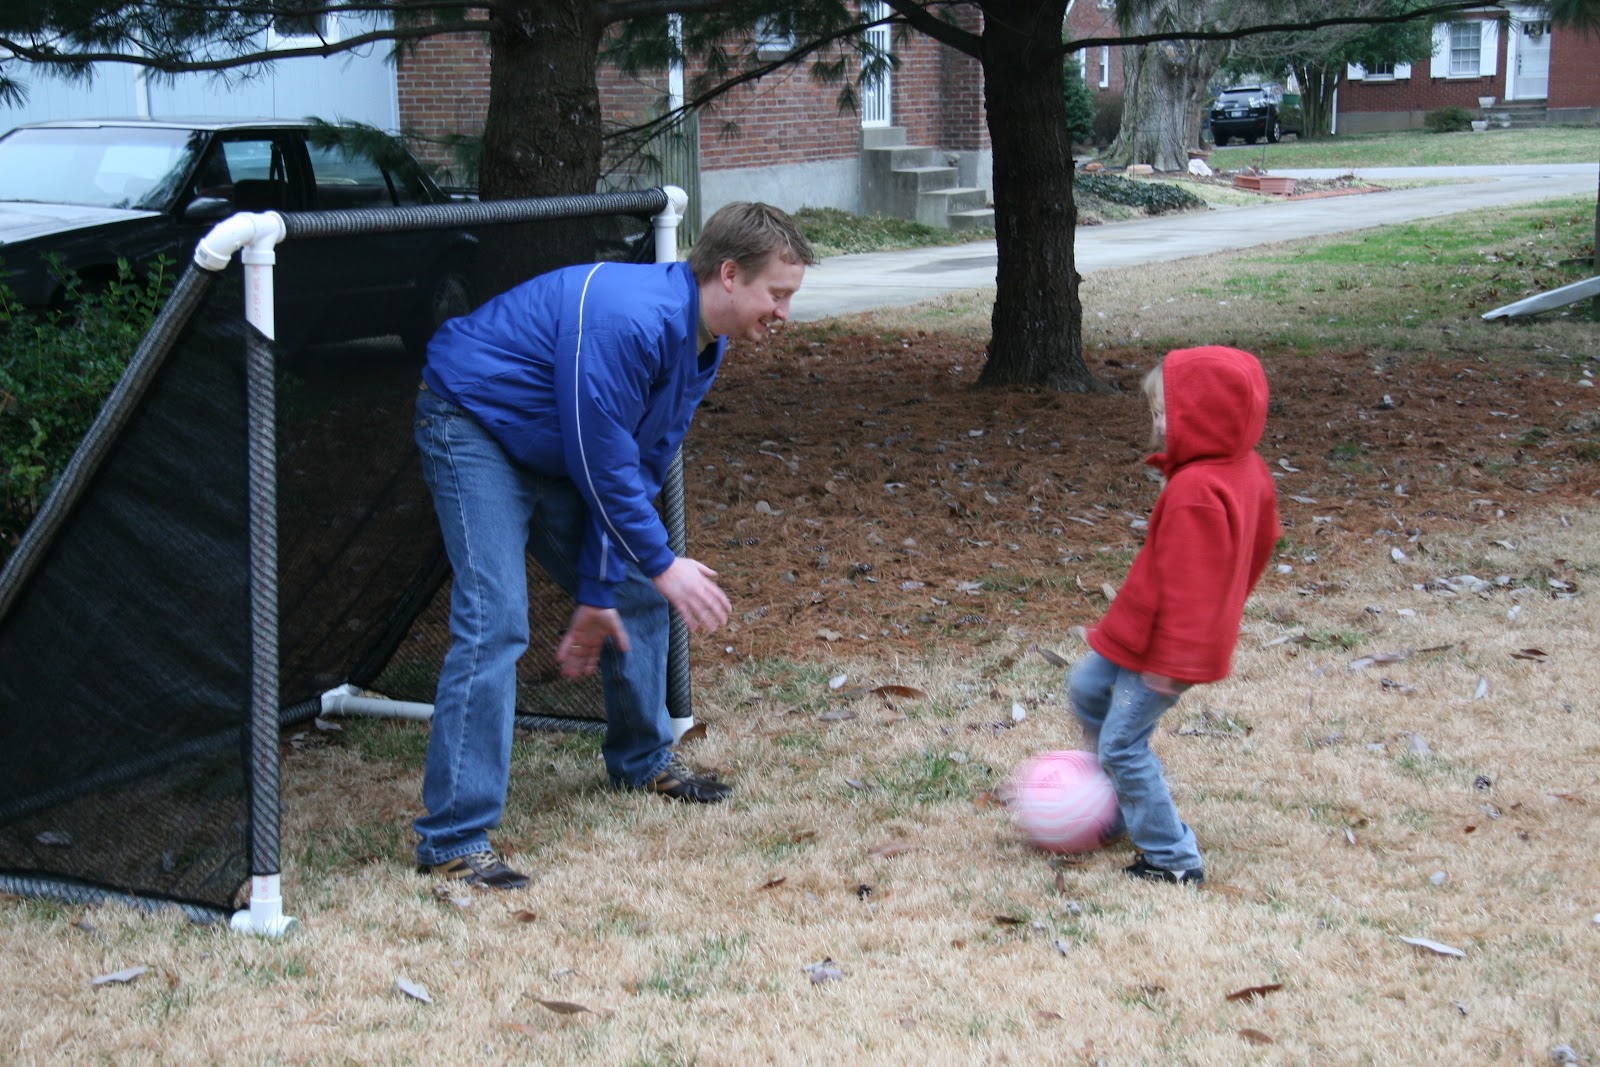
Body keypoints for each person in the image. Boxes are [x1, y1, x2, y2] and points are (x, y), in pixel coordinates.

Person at [412, 202, 816, 889]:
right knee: (496, 621)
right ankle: (453, 838)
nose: (783, 312)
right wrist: (662, 562)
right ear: (727, 274)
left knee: (633, 591)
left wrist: (603, 588)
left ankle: (643, 760)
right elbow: (600, 457)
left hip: (553, 449)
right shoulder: (628, 319)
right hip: (473, 424)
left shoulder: (703, 347)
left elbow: (635, 465)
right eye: (776, 294)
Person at [1066, 346, 1280, 886]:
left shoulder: (1197, 493)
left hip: (1168, 649)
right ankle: (1112, 804)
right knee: (1089, 689)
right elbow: (1265, 541)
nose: (1157, 423)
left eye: (1167, 411)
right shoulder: (1241, 469)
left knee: (1122, 744)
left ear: (1209, 415)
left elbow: (1194, 589)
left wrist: (1179, 656)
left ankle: (1172, 857)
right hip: (1138, 632)